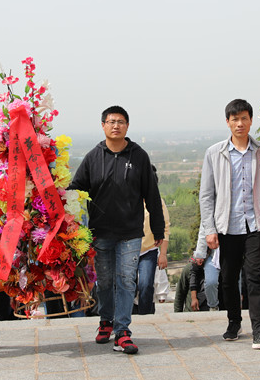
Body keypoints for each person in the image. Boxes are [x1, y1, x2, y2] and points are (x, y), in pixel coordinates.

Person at [69, 105, 164, 355]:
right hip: (101, 233)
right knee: (104, 281)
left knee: (126, 281)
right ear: (103, 126)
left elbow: (152, 195)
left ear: (127, 126)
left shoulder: (139, 156)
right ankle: (106, 321)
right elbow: (75, 189)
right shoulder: (93, 157)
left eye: (120, 122)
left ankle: (122, 331)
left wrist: (158, 229)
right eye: (111, 122)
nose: (115, 126)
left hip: (130, 233)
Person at [198, 99, 260, 350]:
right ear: (228, 122)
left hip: (256, 225)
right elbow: (206, 195)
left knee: (255, 277)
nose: (240, 123)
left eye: (244, 118)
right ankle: (234, 321)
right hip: (227, 226)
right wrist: (209, 229)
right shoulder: (215, 153)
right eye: (235, 119)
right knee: (229, 278)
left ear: (251, 120)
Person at [136, 166, 171, 315]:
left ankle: (145, 317)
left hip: (148, 251)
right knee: (127, 286)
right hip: (128, 250)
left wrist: (162, 254)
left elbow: (165, 228)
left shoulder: (158, 202)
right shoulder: (129, 200)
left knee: (145, 285)